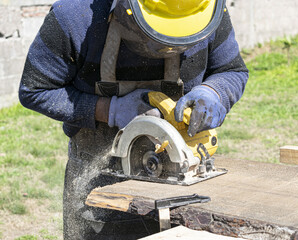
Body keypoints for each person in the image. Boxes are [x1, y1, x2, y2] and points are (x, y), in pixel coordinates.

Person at [19, 0, 249, 239]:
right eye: (158, 39)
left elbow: (231, 70)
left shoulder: (206, 9)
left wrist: (214, 92)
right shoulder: (73, 17)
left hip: (187, 176)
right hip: (99, 178)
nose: (167, 50)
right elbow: (35, 90)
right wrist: (109, 110)